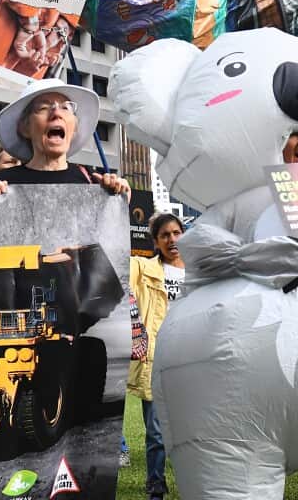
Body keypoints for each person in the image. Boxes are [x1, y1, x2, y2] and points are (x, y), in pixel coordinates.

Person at [0, 78, 129, 198]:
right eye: (43, 108)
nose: (56, 113)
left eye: (66, 108)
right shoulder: (4, 182)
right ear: (25, 128)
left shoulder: (92, 182)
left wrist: (118, 199)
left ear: (74, 129)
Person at [129, 213, 184, 500]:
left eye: (177, 233)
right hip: (157, 358)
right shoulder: (144, 268)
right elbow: (116, 264)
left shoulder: (200, 269)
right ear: (156, 241)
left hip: (193, 358)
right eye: (165, 235)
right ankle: (156, 487)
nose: (172, 240)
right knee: (156, 432)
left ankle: (196, 482)